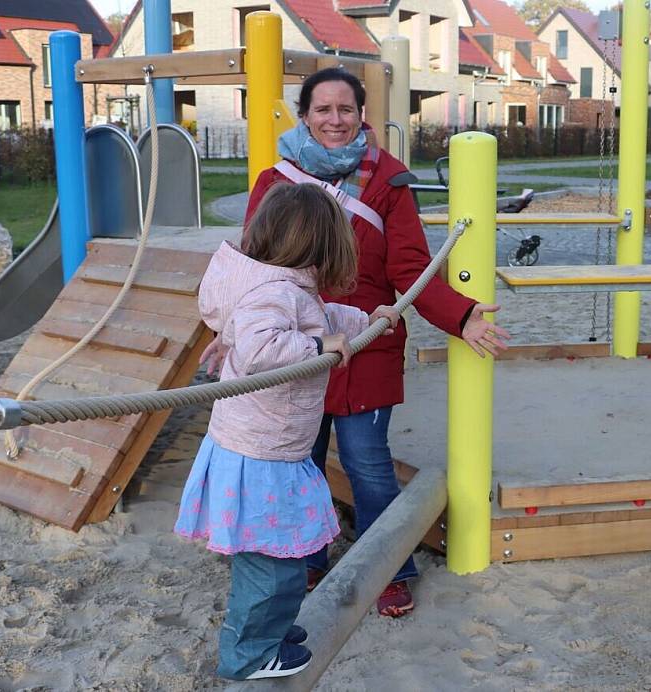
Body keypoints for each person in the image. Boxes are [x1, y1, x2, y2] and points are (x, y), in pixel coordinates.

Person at [240, 67, 511, 617]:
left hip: (368, 336)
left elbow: (411, 264)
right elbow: (254, 261)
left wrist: (461, 318)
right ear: (305, 114)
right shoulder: (277, 178)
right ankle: (305, 557)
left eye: (346, 109)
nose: (335, 120)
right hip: (298, 341)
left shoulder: (387, 178)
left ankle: (389, 567)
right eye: (323, 109)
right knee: (299, 459)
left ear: (361, 115)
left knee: (367, 464)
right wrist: (232, 330)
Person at [175, 182, 400, 680]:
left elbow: (319, 317)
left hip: (268, 447)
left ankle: (269, 630)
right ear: (322, 249)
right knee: (273, 564)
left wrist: (370, 319)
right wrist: (321, 347)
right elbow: (262, 349)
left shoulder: (285, 287)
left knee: (280, 559)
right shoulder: (275, 292)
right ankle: (249, 654)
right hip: (260, 453)